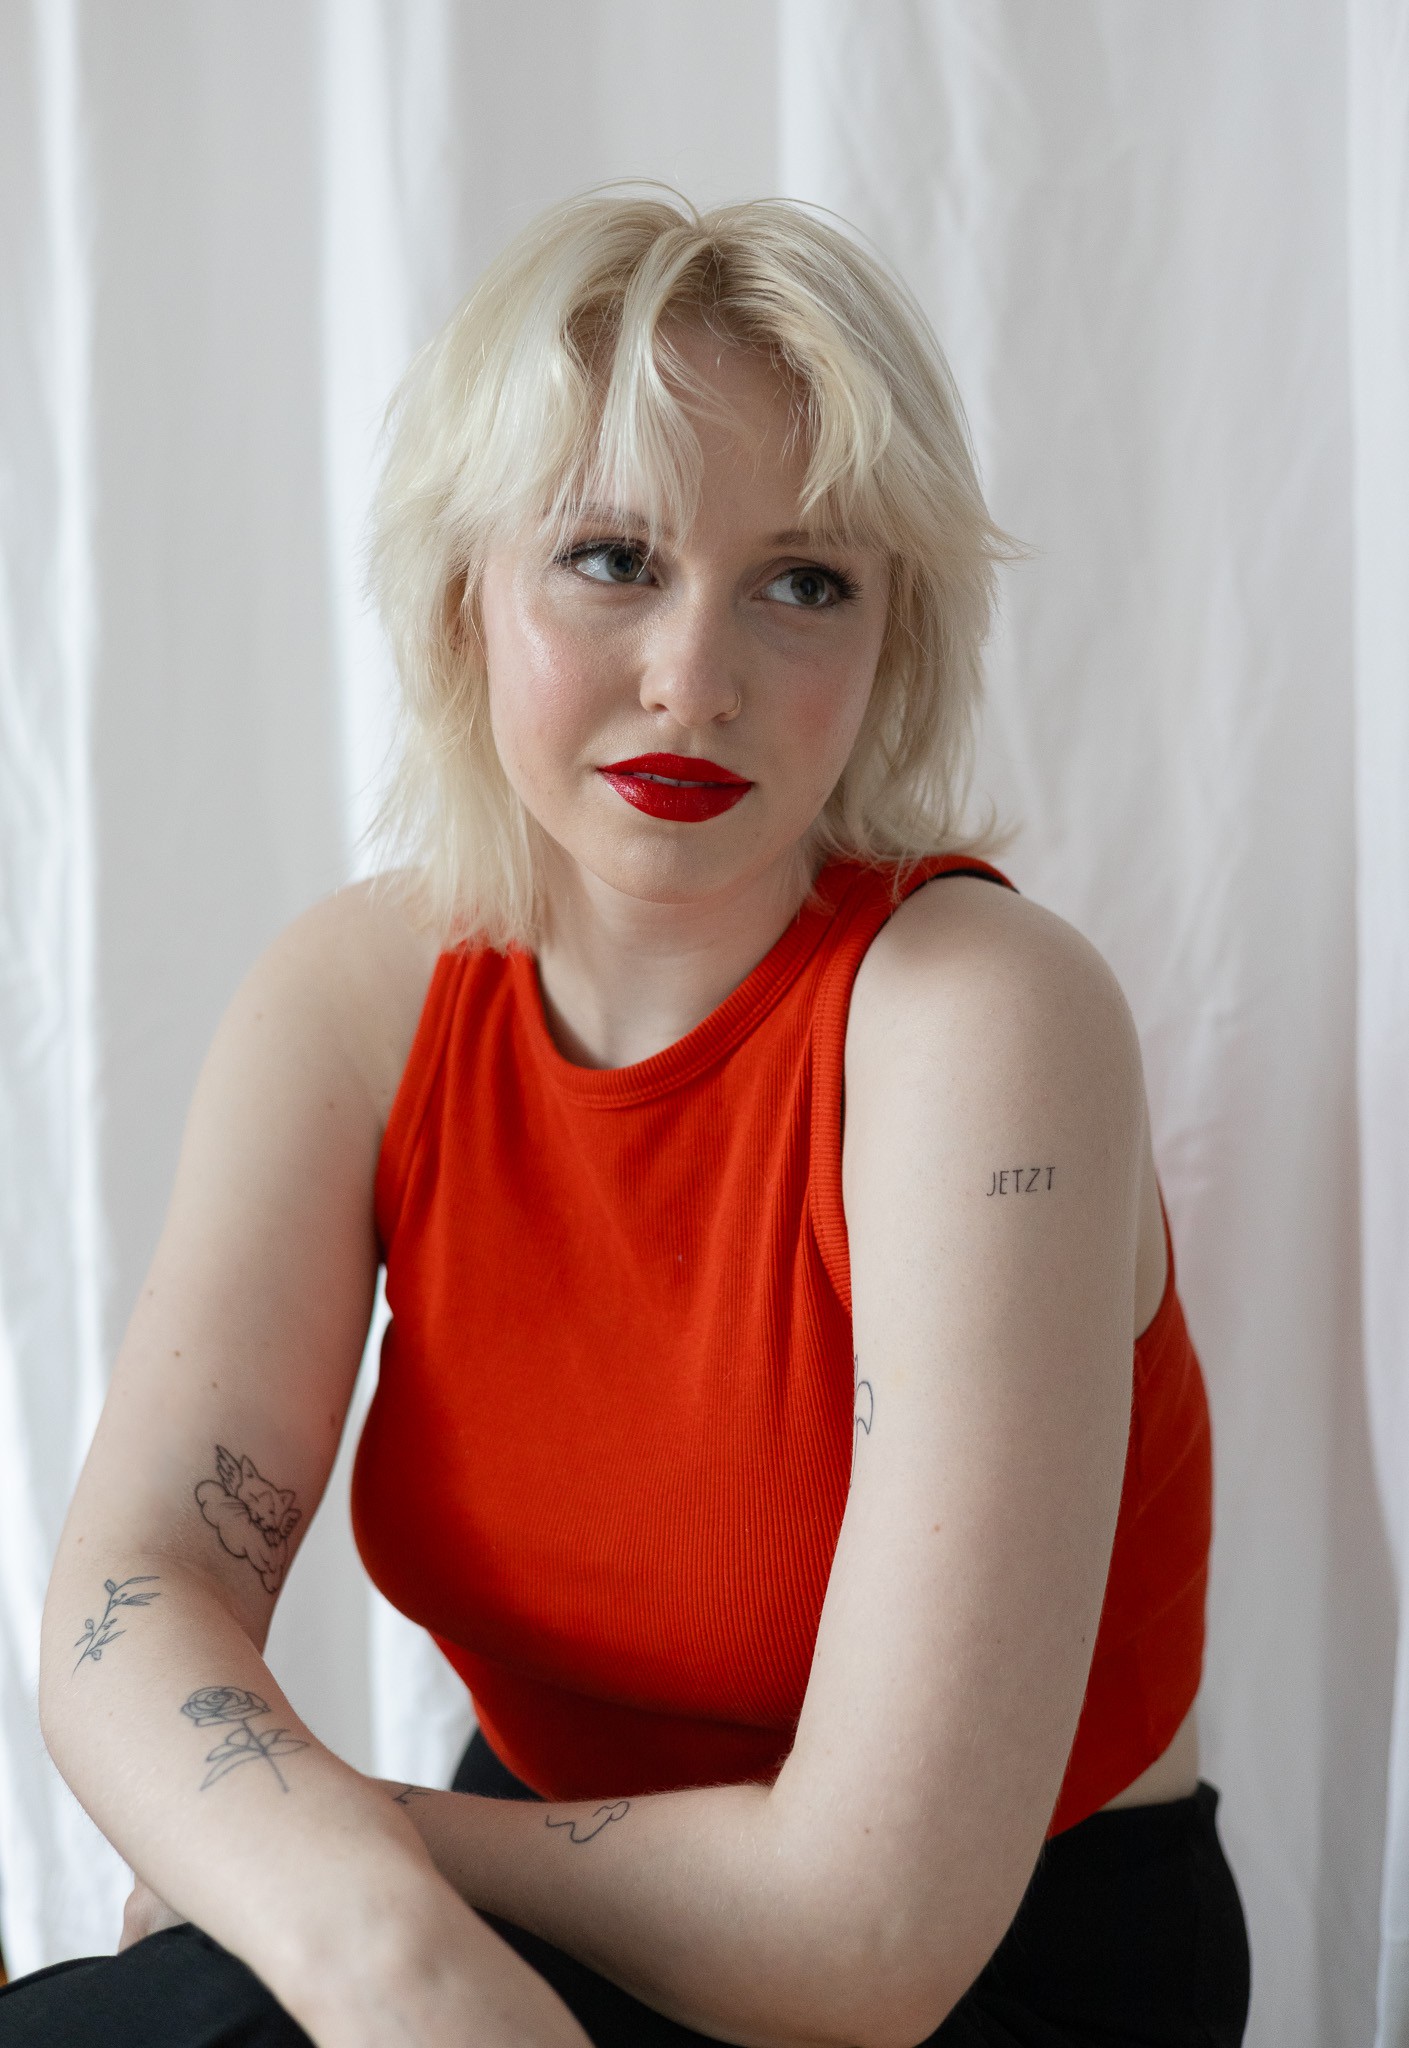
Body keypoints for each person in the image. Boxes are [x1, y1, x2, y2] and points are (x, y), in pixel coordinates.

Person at [0, 189, 1250, 2048]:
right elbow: (137, 1580)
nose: (694, 676)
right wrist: (376, 1948)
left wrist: (344, 1852)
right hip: (511, 1893)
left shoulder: (982, 1021)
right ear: (465, 594)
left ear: (891, 637)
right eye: (609, 558)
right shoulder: (359, 994)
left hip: (991, 1973)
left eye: (802, 583)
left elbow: (869, 1937)